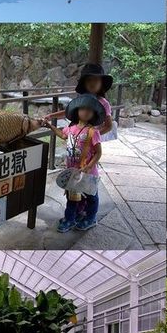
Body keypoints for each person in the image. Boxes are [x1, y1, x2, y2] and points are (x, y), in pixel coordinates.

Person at [46, 95, 104, 232]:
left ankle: (90, 218)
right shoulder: (71, 128)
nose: (86, 112)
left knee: (91, 197)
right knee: (72, 197)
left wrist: (89, 166)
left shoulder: (93, 132)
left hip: (88, 172)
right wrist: (49, 126)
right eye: (83, 109)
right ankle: (70, 219)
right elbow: (62, 135)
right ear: (77, 111)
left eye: (89, 110)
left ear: (93, 114)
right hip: (73, 172)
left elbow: (98, 152)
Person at [45, 63, 116, 139]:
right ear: (84, 83)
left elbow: (108, 126)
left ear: (101, 83)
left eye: (96, 79)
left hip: (92, 143)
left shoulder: (103, 103)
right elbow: (67, 111)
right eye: (89, 80)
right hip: (76, 138)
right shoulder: (81, 99)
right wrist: (51, 116)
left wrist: (92, 135)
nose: (92, 83)